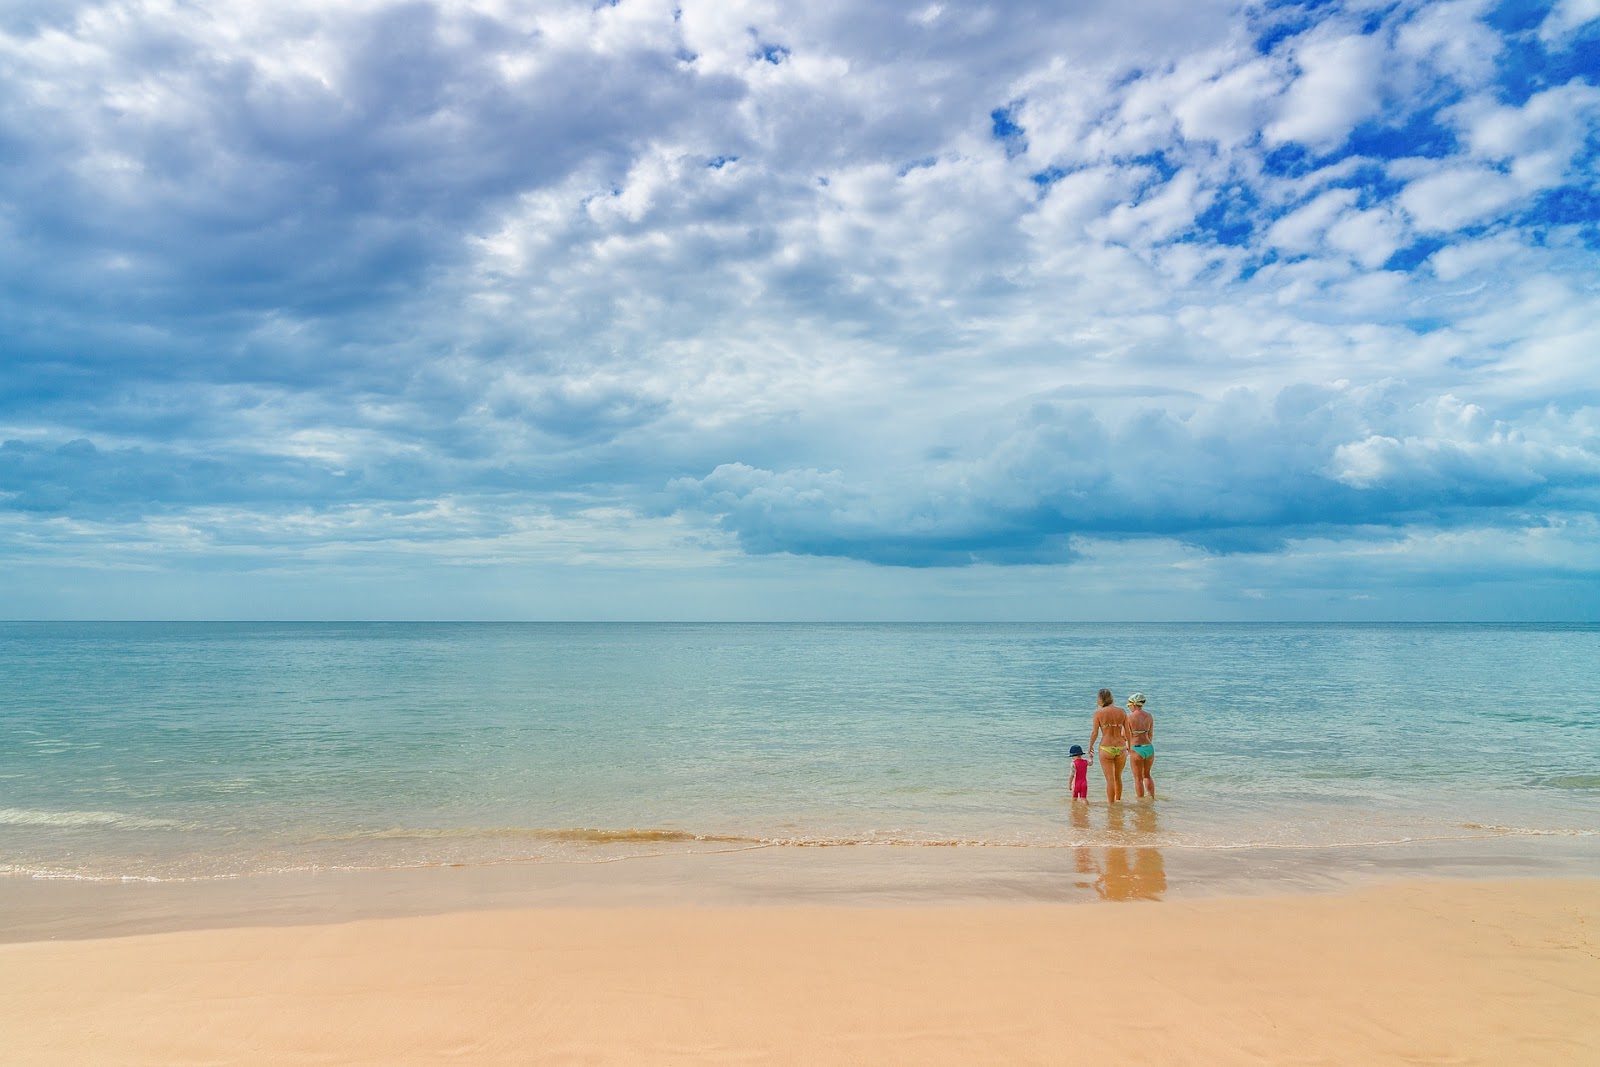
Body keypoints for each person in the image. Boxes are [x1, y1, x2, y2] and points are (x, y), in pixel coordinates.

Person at [1088, 688, 1129, 802]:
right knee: (1118, 778)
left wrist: (1090, 746)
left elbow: (1095, 732)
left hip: (1106, 747)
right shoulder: (1122, 711)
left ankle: (1112, 806)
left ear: (1100, 700)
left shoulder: (1098, 713)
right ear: (1111, 698)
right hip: (1121, 747)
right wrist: (1129, 745)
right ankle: (1118, 801)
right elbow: (1128, 731)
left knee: (1110, 779)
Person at [1127, 692, 1156, 799]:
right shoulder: (1149, 716)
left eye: (1129, 705)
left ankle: (1141, 801)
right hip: (1149, 747)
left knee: (1138, 778)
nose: (1129, 707)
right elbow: (1150, 734)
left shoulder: (1129, 717)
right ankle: (1152, 797)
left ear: (1134, 704)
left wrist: (1127, 748)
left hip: (1136, 748)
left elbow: (1125, 735)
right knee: (1147, 775)